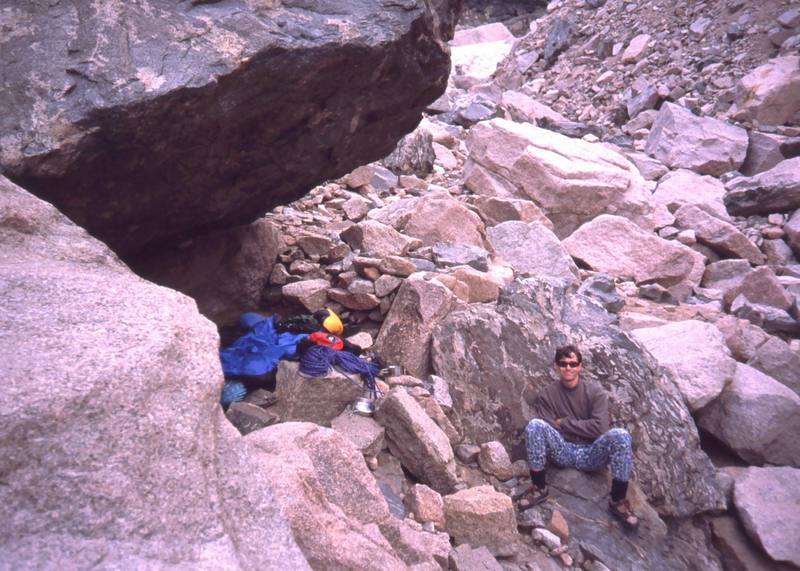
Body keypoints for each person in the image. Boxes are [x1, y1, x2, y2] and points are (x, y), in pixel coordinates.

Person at [519, 344, 639, 528]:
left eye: (573, 364)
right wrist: (581, 427)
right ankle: (539, 487)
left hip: (592, 452)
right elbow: (550, 427)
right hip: (563, 450)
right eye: (563, 363)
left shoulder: (595, 392)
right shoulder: (547, 395)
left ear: (580, 366)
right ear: (557, 366)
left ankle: (618, 500)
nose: (568, 368)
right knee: (535, 426)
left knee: (621, 435)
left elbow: (600, 428)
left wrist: (564, 423)